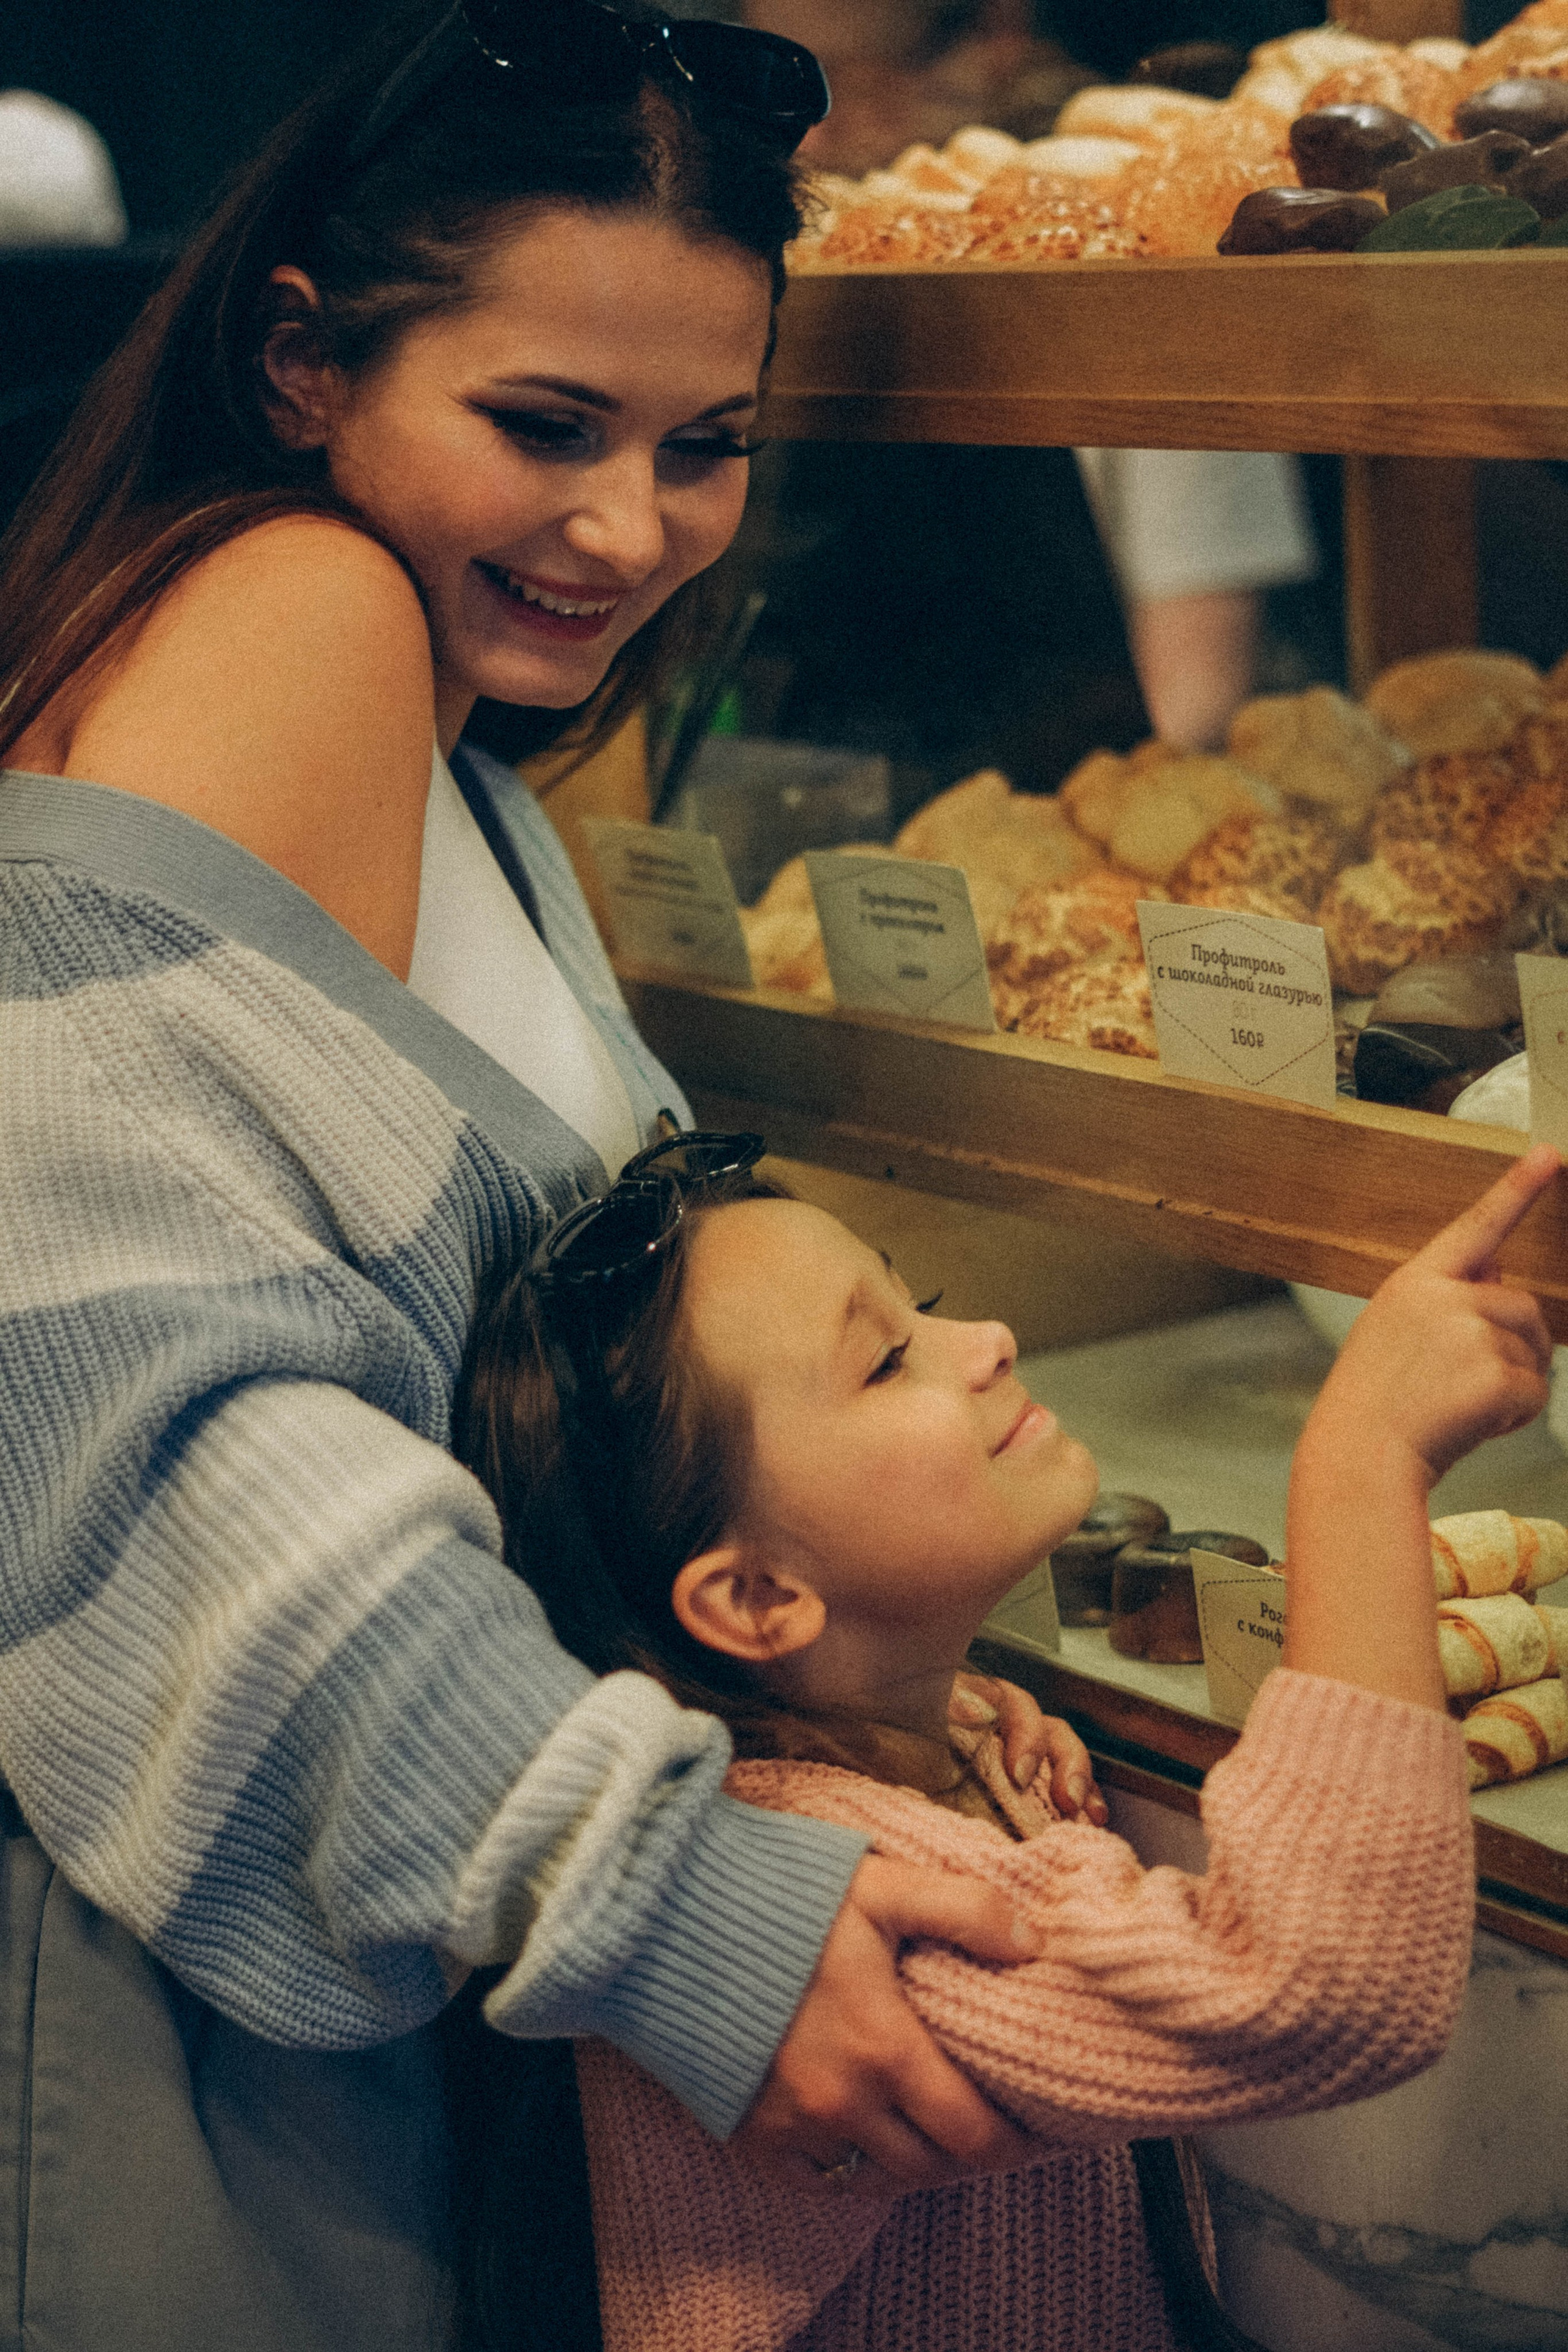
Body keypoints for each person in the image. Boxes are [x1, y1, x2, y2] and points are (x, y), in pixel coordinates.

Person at [0, 6, 1106, 2346]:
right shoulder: (304, 614)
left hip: (317, 1943)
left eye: (705, 446)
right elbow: (139, 1396)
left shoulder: (466, 764)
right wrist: (659, 1891)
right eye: (544, 424)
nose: (630, 528)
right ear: (301, 357)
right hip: (184, 2015)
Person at [457, 1129, 1563, 2351]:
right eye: (884, 1360)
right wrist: (1363, 1458)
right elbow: (1316, 1987)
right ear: (761, 1601)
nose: (983, 1337)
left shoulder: (869, 1761)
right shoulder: (843, 1924)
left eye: (916, 1302)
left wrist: (953, 1706)